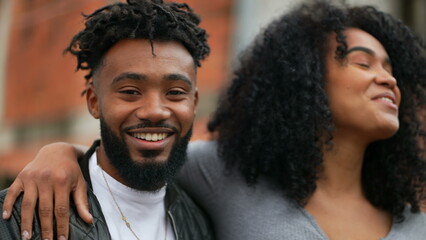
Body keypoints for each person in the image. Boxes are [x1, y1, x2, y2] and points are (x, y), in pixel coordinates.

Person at [3, 0, 426, 239]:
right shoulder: (230, 174)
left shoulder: (413, 216)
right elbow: (139, 151)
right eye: (362, 63)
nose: (386, 78)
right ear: (307, 79)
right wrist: (58, 154)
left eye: (390, 67)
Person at [0, 0, 215, 240]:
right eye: (131, 91)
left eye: (175, 92)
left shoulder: (202, 223)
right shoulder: (21, 218)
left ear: (194, 103)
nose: (155, 111)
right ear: (94, 101)